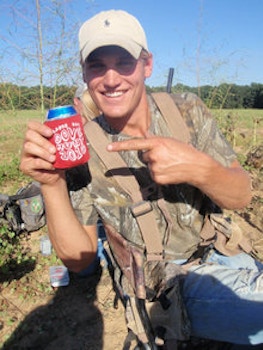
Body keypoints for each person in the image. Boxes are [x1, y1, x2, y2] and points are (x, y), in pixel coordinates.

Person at [20, 9, 263, 349]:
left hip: (220, 251)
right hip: (162, 285)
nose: (111, 78)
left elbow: (241, 197)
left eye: (124, 62)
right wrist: (50, 184)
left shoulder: (187, 111)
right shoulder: (82, 146)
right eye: (97, 65)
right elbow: (80, 259)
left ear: (147, 65)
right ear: (85, 74)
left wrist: (200, 169)